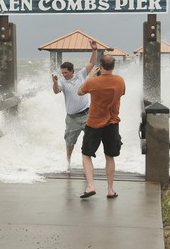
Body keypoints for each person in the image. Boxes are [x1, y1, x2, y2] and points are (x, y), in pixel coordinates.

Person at [77, 55, 125, 199]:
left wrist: (90, 77)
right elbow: (121, 93)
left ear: (100, 66)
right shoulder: (120, 80)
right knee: (110, 156)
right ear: (113, 67)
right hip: (112, 123)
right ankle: (110, 190)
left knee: (86, 154)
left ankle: (91, 186)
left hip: (94, 123)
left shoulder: (93, 82)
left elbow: (79, 92)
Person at [52, 40, 98, 170]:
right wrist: (55, 82)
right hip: (72, 117)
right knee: (69, 142)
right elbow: (56, 91)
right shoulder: (62, 81)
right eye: (62, 73)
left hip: (86, 114)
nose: (64, 75)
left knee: (89, 140)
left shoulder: (81, 75)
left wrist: (94, 50)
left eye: (66, 72)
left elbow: (91, 63)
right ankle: (68, 161)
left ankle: (87, 163)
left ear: (72, 71)